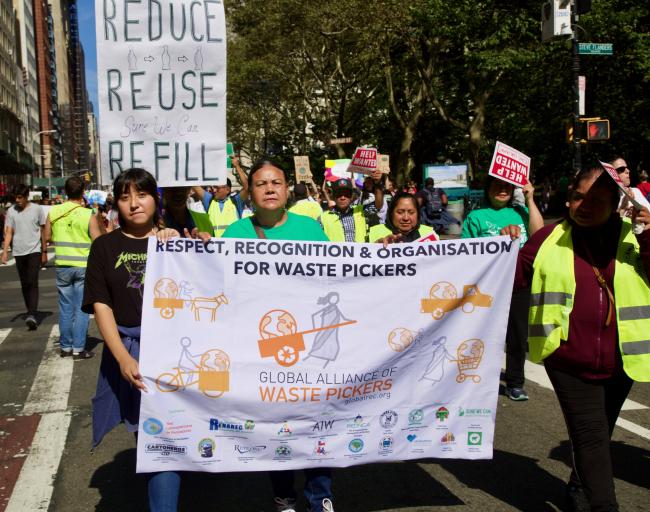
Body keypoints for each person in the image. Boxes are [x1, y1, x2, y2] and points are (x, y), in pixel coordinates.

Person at [508, 164, 650, 511]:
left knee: (599, 432)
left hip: (624, 360)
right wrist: (504, 249)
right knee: (590, 434)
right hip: (567, 359)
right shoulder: (546, 238)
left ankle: (578, 485)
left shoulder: (634, 238)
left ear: (617, 204)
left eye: (597, 199)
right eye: (577, 196)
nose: (584, 205)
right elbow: (505, 281)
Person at [223, 160, 333, 512]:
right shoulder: (235, 235)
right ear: (250, 192)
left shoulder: (312, 230)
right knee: (275, 424)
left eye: (276, 182)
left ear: (287, 189)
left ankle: (321, 496)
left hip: (309, 347)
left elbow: (342, 278)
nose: (269, 189)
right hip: (261, 350)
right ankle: (283, 493)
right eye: (260, 183)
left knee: (315, 421)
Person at [82, 169, 181, 512]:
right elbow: (101, 304)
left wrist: (187, 241)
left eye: (142, 194)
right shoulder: (104, 247)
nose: (134, 204)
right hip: (132, 352)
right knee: (150, 435)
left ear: (156, 198)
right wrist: (123, 357)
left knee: (164, 440)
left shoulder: (175, 241)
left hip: (173, 354)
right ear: (116, 203)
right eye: (125, 197)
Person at [462, 177, 544, 401]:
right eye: (497, 185)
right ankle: (479, 380)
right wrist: (497, 242)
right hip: (488, 287)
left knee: (517, 336)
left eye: (507, 186)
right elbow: (464, 255)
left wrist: (530, 198)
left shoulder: (521, 212)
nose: (502, 190)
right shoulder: (475, 217)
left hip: (519, 284)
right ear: (487, 190)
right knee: (485, 335)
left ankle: (515, 383)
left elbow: (539, 237)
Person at [44, 176, 102, 358]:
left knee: (65, 308)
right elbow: (98, 241)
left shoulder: (54, 212)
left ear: (65, 191)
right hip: (83, 267)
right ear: (83, 192)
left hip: (62, 266)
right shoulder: (88, 214)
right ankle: (78, 348)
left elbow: (47, 237)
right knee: (82, 308)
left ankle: (66, 347)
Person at [1, 184, 48, 329]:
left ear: (26, 196)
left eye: (20, 197)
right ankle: (30, 311)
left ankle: (32, 314)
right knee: (24, 283)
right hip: (18, 251)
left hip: (34, 250)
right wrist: (4, 252)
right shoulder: (11, 211)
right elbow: (9, 231)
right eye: (16, 198)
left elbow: (42, 229)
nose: (17, 200)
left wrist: (44, 251)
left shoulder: (37, 209)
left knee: (32, 281)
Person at [193, 156, 249, 236]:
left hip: (232, 246)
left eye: (217, 188)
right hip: (214, 246)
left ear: (227, 190)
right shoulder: (209, 200)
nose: (214, 190)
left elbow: (247, 187)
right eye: (213, 187)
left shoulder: (236, 201)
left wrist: (237, 166)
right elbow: (193, 184)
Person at [320, 175, 382, 242]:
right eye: (338, 194)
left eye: (346, 194)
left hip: (358, 252)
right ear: (333, 197)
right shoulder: (322, 218)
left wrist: (378, 184)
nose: (342, 197)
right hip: (335, 252)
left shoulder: (361, 211)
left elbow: (377, 206)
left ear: (351, 197)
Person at [368, 192, 436, 243]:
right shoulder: (375, 232)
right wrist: (375, 248)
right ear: (391, 213)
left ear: (418, 214)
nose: (406, 218)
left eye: (411, 212)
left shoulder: (429, 234)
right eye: (400, 212)